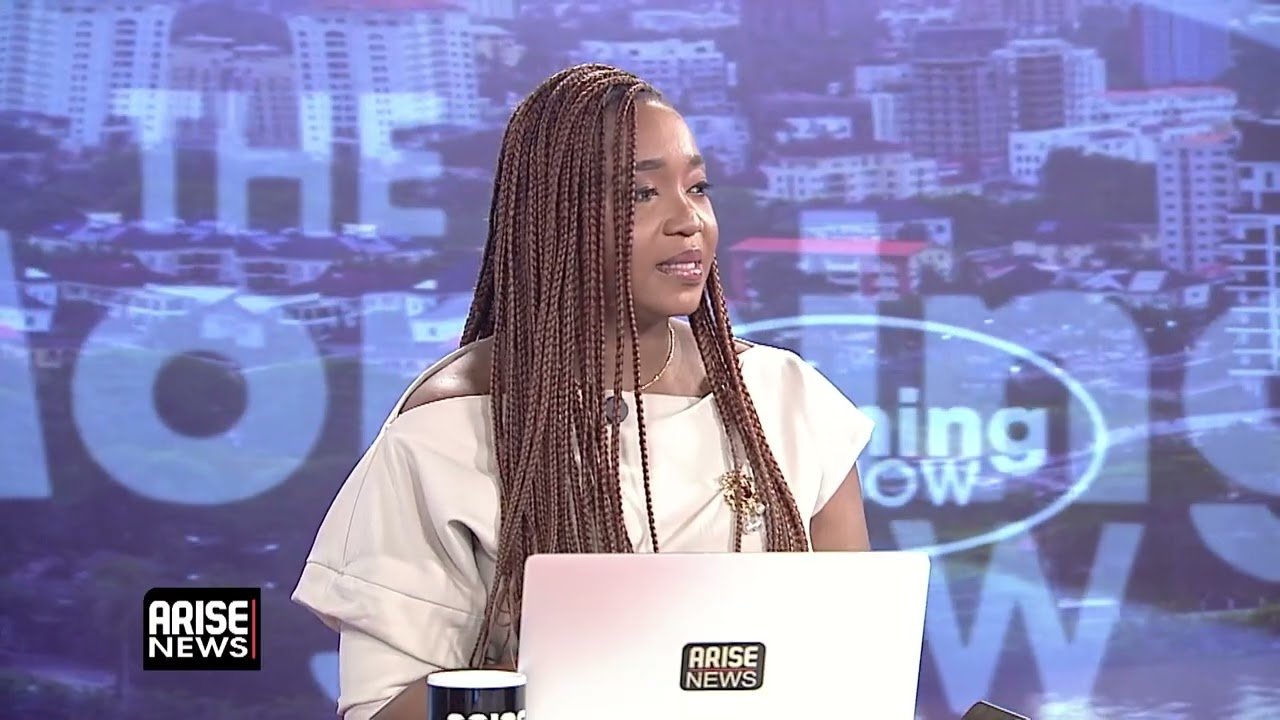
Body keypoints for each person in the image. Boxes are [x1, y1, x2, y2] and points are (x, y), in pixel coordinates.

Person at [292, 63, 876, 720]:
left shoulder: (788, 402)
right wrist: (576, 667)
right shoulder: (449, 428)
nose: (688, 220)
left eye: (697, 187)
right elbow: (380, 710)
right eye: (640, 194)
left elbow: (850, 676)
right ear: (552, 218)